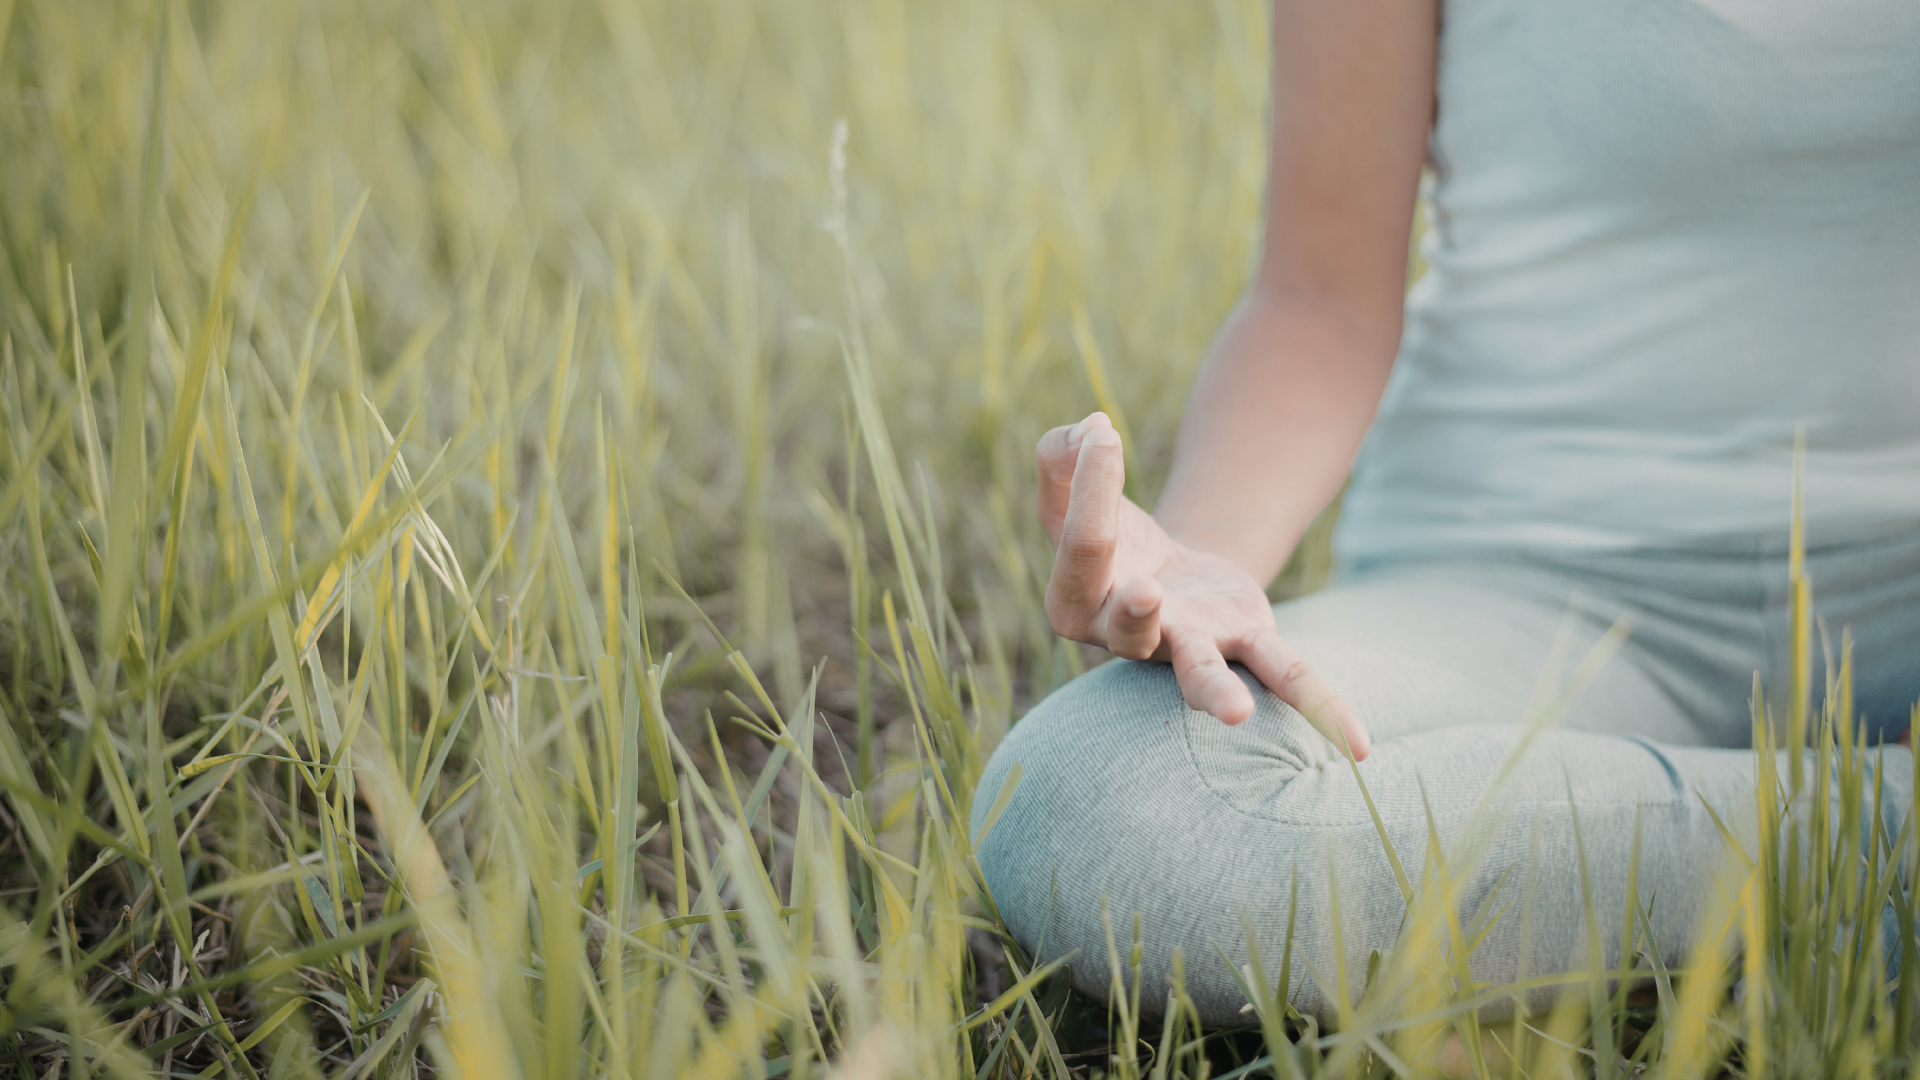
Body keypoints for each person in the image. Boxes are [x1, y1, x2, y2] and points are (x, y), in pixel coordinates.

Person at [969, 0, 1920, 1026]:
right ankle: (1871, 837)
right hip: (1522, 586)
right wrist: (1195, 568)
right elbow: (1319, 294)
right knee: (1113, 806)